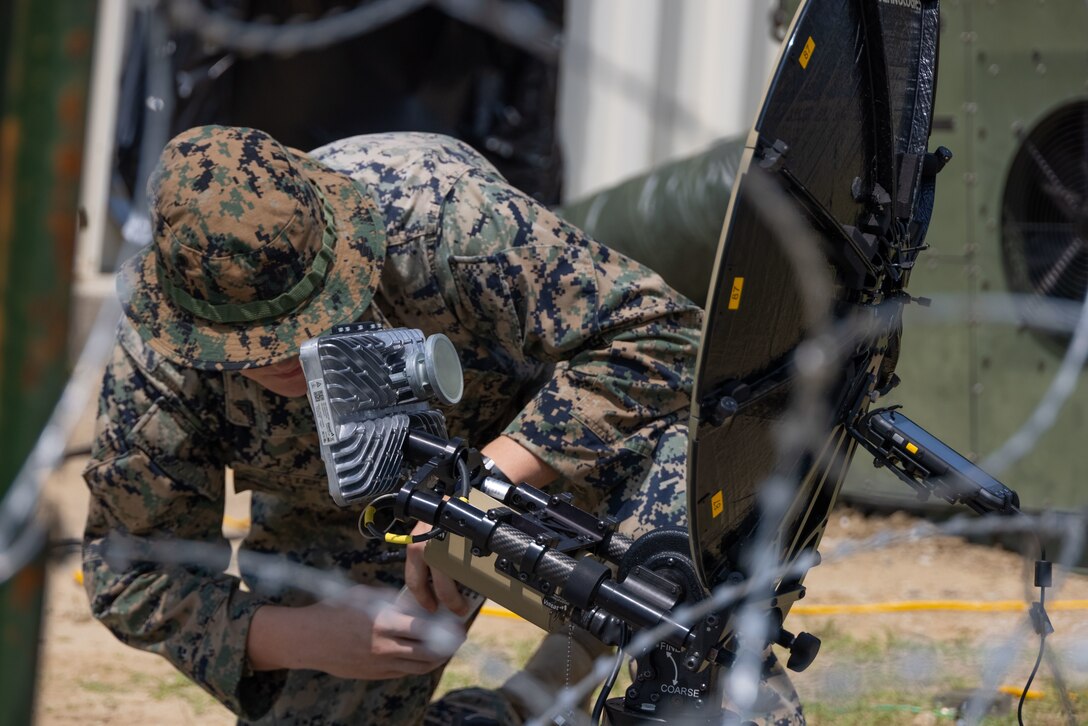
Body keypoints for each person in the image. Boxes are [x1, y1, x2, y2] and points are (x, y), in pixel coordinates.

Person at [82, 124, 803, 725]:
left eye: (311, 322)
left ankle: (596, 674)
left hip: (543, 448)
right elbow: (133, 573)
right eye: (254, 348)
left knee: (679, 585)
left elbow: (662, 337)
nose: (289, 357)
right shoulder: (159, 370)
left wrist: (480, 486)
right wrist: (313, 639)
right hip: (353, 520)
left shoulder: (438, 215)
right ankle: (518, 709)